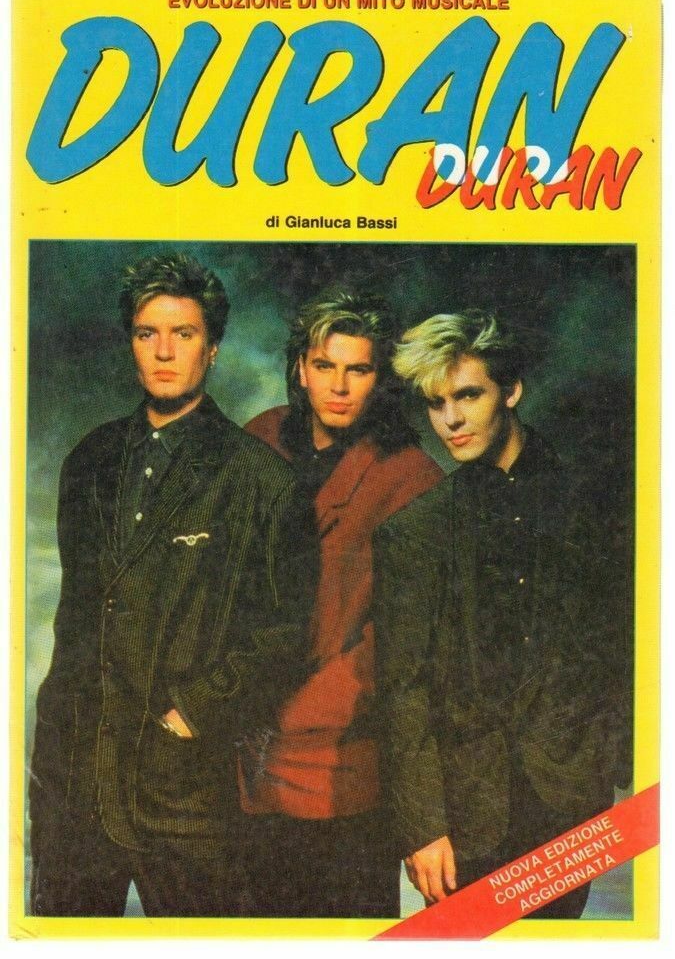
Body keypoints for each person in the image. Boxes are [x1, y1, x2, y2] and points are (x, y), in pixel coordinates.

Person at [29, 253, 316, 917]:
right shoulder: (89, 460)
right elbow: (78, 621)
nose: (163, 352)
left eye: (182, 334)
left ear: (211, 349)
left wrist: (192, 715)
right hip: (75, 785)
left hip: (187, 792)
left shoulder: (261, 480)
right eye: (146, 333)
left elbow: (283, 635)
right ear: (130, 342)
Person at [373, 310, 629, 918]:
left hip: (569, 800)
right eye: (436, 403)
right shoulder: (413, 533)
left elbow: (627, 646)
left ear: (510, 390)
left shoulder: (597, 507)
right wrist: (422, 827)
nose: (451, 420)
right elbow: (402, 689)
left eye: (468, 395)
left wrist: (610, 762)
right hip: (465, 819)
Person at [237, 286, 444, 918]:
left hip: (342, 761)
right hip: (244, 753)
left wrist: (304, 708)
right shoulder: (259, 437)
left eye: (358, 369)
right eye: (324, 365)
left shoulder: (411, 475)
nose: (339, 386)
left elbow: (402, 640)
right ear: (300, 368)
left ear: (381, 379)